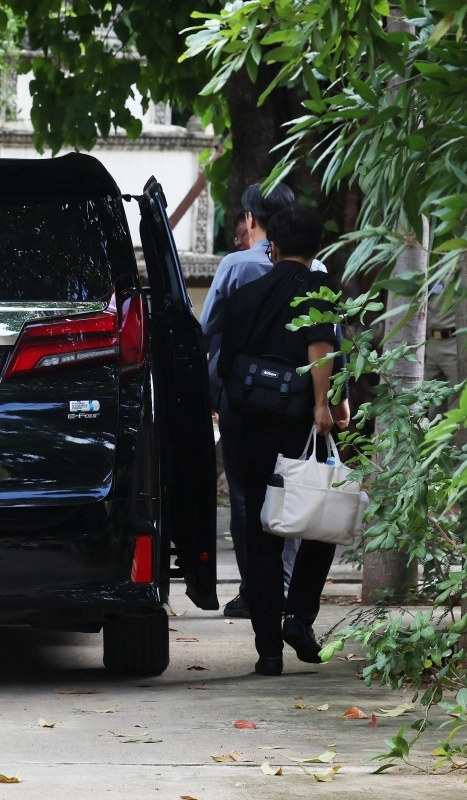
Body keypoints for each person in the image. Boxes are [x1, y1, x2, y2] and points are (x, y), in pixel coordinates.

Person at [216, 205, 350, 675]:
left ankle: (268, 652)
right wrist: (325, 406)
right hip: (299, 421)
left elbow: (227, 359)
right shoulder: (321, 288)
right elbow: (320, 346)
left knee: (261, 529)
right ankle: (299, 615)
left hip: (250, 420)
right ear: (316, 250)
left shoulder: (246, 292)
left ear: (272, 244)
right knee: (319, 519)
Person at [200, 182, 327, 618]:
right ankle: (293, 598)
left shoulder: (237, 271)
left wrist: (219, 393)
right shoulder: (320, 276)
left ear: (253, 222)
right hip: (301, 406)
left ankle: (258, 599)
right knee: (301, 494)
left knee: (248, 502)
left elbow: (212, 332)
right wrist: (329, 403)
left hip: (247, 407)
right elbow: (328, 345)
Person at [425, 279, 462, 413]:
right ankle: (433, 433)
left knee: (456, 402)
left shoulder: (461, 268)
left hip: (455, 341)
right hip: (433, 341)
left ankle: (458, 435)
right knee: (433, 404)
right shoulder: (432, 266)